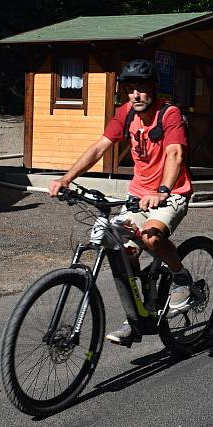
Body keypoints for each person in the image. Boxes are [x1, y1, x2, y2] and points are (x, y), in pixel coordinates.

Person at [48, 58, 193, 345]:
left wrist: (162, 190)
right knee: (122, 254)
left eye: (141, 89)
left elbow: (175, 154)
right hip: (137, 195)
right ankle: (139, 315)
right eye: (130, 90)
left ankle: (181, 277)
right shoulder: (125, 113)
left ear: (153, 89)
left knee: (151, 238)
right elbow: (99, 147)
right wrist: (66, 179)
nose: (135, 96)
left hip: (171, 193)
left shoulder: (169, 114)